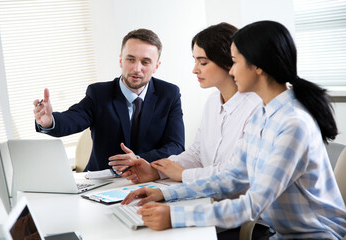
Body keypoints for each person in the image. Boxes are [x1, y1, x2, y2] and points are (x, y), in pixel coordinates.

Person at [121, 21, 346, 239]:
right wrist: (165, 193)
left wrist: (175, 216)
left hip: (316, 235)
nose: (232, 70)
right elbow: (233, 177)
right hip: (284, 234)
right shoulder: (263, 115)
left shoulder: (293, 124)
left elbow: (253, 204)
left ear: (257, 66)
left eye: (235, 62)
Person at [112, 23, 262, 183]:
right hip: (208, 195)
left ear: (227, 61)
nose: (195, 69)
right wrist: (155, 171)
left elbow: (238, 172)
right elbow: (197, 153)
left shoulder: (257, 107)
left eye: (203, 63)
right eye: (195, 61)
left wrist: (183, 175)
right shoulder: (213, 102)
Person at [33, 28, 185, 171]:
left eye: (145, 62)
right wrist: (49, 121)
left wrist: (139, 159)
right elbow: (73, 119)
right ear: (121, 61)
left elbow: (176, 145)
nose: (137, 68)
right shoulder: (99, 93)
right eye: (130, 59)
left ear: (156, 66)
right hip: (102, 181)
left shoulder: (169, 94)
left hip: (149, 179)